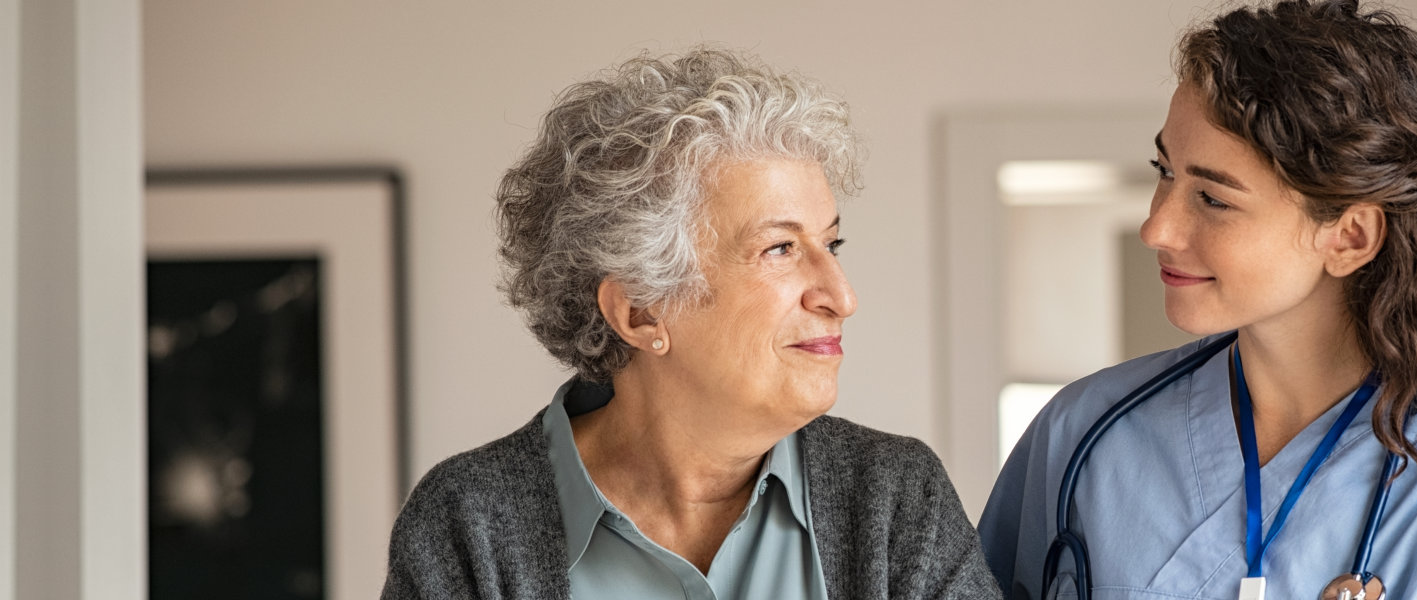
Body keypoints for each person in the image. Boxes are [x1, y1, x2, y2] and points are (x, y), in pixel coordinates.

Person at [979, 2, 1417, 598]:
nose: (1157, 228)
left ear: (1350, 236)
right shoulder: (1085, 432)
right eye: (1165, 172)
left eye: (1214, 199)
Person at [382, 48, 999, 600]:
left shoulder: (894, 499)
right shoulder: (467, 524)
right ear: (641, 310)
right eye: (780, 248)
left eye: (830, 245)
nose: (841, 295)